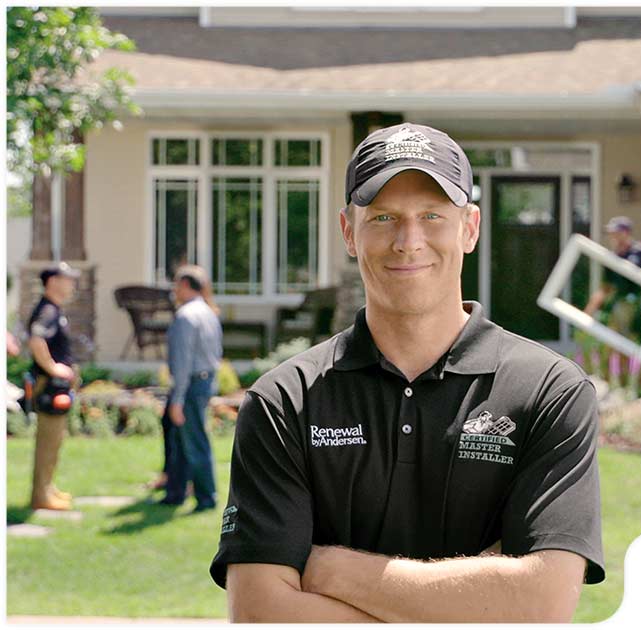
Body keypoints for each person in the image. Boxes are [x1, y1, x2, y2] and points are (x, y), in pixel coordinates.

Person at [209, 123, 604, 622]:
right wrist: (479, 595)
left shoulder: (549, 392)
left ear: (470, 228)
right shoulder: (286, 401)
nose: (408, 241)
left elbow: (540, 605)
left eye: (432, 215)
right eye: (383, 217)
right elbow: (262, 615)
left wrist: (331, 570)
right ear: (349, 232)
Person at [148, 277, 221, 493]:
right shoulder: (209, 313)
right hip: (204, 381)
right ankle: (175, 493)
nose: (174, 290)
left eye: (177, 285)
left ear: (187, 286)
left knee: (195, 442)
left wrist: (177, 399)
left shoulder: (185, 316)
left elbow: (183, 361)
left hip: (190, 384)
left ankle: (206, 496)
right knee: (180, 441)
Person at [27, 261, 81, 511]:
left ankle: (48, 488)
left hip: (57, 387)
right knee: (48, 442)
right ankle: (41, 495)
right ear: (52, 282)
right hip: (49, 386)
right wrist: (53, 367)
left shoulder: (54, 310)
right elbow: (36, 340)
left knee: (55, 440)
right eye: (67, 279)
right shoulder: (47, 311)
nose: (72, 284)